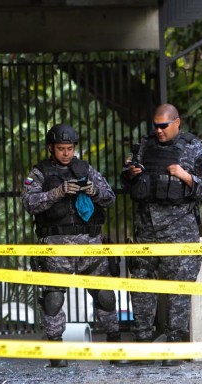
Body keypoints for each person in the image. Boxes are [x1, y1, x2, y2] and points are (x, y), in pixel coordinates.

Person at [121, 103, 202, 366]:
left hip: (179, 228)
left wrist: (186, 176)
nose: (159, 130)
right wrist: (131, 174)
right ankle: (143, 342)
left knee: (178, 286)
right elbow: (127, 182)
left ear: (177, 122)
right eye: (155, 126)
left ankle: (175, 343)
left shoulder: (193, 148)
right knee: (141, 284)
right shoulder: (144, 146)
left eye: (164, 126)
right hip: (146, 228)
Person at [22, 123, 125, 368]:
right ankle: (57, 354)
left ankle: (116, 348)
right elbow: (30, 203)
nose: (66, 153)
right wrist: (56, 192)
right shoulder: (39, 172)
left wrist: (93, 190)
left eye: (70, 148)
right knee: (53, 299)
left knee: (106, 297)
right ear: (51, 148)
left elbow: (110, 197)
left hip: (90, 244)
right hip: (57, 247)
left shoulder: (85, 169)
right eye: (61, 148)